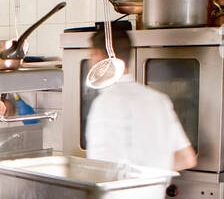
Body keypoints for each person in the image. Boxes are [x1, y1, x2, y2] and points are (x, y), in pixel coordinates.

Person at [84, 26, 197, 173]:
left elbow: (99, 170)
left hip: (119, 196)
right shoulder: (159, 100)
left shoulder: (105, 103)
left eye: (91, 55)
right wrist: (148, 173)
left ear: (98, 57)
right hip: (155, 195)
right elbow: (186, 158)